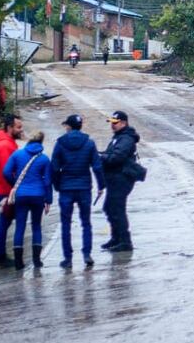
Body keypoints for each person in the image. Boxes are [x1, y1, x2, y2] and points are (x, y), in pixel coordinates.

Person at [51, 113, 105, 268]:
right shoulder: (89, 143)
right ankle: (87, 254)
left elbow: (54, 167)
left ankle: (67, 258)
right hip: (84, 188)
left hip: (66, 188)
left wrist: (57, 185)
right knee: (86, 222)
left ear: (68, 126)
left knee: (66, 223)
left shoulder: (60, 143)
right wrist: (101, 185)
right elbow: (96, 166)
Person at [2, 130, 52, 270]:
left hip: (21, 196)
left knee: (20, 227)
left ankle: (19, 262)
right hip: (38, 196)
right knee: (36, 226)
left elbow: (6, 172)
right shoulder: (44, 159)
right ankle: (37, 261)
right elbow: (48, 181)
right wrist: (48, 200)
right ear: (41, 142)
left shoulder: (17, 154)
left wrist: (15, 185)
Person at [99, 110, 140, 253]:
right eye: (112, 123)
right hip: (115, 178)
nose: (112, 126)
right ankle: (116, 237)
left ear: (124, 123)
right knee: (110, 208)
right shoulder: (119, 137)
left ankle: (124, 241)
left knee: (117, 209)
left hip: (122, 177)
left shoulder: (126, 139)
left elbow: (116, 157)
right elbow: (111, 154)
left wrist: (101, 158)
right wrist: (102, 154)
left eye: (115, 123)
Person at [0, 114, 22, 268]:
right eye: (18, 127)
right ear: (10, 128)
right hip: (5, 190)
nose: (21, 130)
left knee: (5, 221)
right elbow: (8, 171)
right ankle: (0, 257)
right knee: (4, 222)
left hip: (5, 188)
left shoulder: (6, 143)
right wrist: (16, 188)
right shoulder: (4, 146)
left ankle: (1, 256)